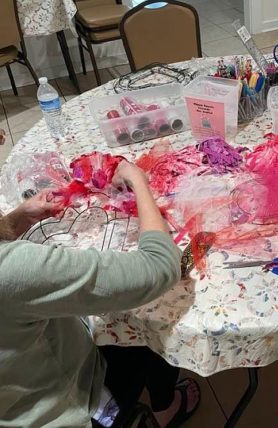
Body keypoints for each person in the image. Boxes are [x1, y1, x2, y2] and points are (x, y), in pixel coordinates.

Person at [0, 161, 200, 427]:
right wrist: (138, 181)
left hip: (20, 390)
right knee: (158, 323)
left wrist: (16, 219)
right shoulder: (11, 269)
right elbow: (161, 266)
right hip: (68, 406)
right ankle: (165, 407)